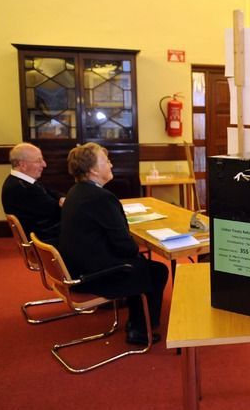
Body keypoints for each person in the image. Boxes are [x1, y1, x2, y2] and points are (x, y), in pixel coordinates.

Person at [59, 142, 168, 345]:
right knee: (156, 269)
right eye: (106, 160)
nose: (111, 164)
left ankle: (137, 321)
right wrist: (134, 251)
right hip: (92, 276)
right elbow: (127, 247)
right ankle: (140, 329)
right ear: (93, 169)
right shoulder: (101, 198)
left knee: (140, 262)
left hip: (76, 267)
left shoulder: (76, 191)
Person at [1, 142, 65, 243]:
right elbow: (55, 211)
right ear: (23, 165)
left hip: (43, 236)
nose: (44, 164)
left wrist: (61, 199)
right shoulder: (22, 188)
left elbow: (51, 193)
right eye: (38, 161)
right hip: (45, 242)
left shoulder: (20, 181)